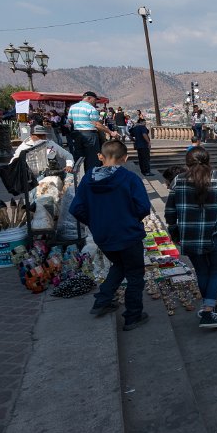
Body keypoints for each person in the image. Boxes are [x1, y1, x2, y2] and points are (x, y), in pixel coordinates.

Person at [69, 140, 151, 331]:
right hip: (128, 235)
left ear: (101, 156)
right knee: (134, 274)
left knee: (119, 265)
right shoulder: (130, 178)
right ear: (125, 158)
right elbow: (143, 207)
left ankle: (103, 300)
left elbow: (76, 208)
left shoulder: (88, 178)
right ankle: (133, 316)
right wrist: (130, 219)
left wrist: (95, 221)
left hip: (103, 236)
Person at [165, 147, 217, 329]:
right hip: (214, 234)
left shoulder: (178, 181)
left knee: (202, 271)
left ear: (187, 162)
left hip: (188, 235)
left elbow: (170, 210)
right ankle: (207, 311)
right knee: (216, 271)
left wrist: (174, 232)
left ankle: (208, 309)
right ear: (207, 160)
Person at [69, 91, 116, 171]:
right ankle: (91, 178)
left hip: (77, 134)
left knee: (79, 158)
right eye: (95, 100)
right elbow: (97, 124)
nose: (95, 102)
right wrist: (110, 132)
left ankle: (80, 177)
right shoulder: (91, 108)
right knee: (92, 159)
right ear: (89, 98)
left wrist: (79, 124)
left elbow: (70, 120)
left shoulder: (73, 107)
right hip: (89, 135)